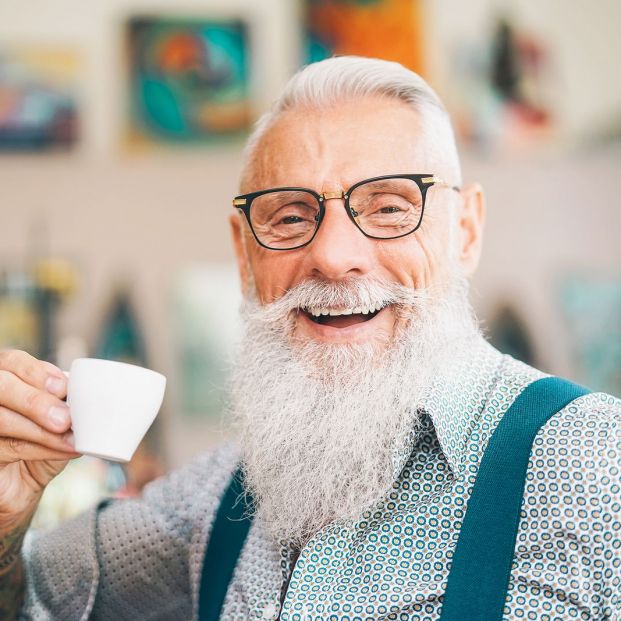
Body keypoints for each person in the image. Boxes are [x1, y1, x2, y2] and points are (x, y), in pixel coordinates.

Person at [0, 56, 619, 621]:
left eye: (389, 206)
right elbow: (33, 598)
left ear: (465, 231)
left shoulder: (596, 465)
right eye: (290, 215)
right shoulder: (214, 503)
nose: (333, 255)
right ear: (245, 256)